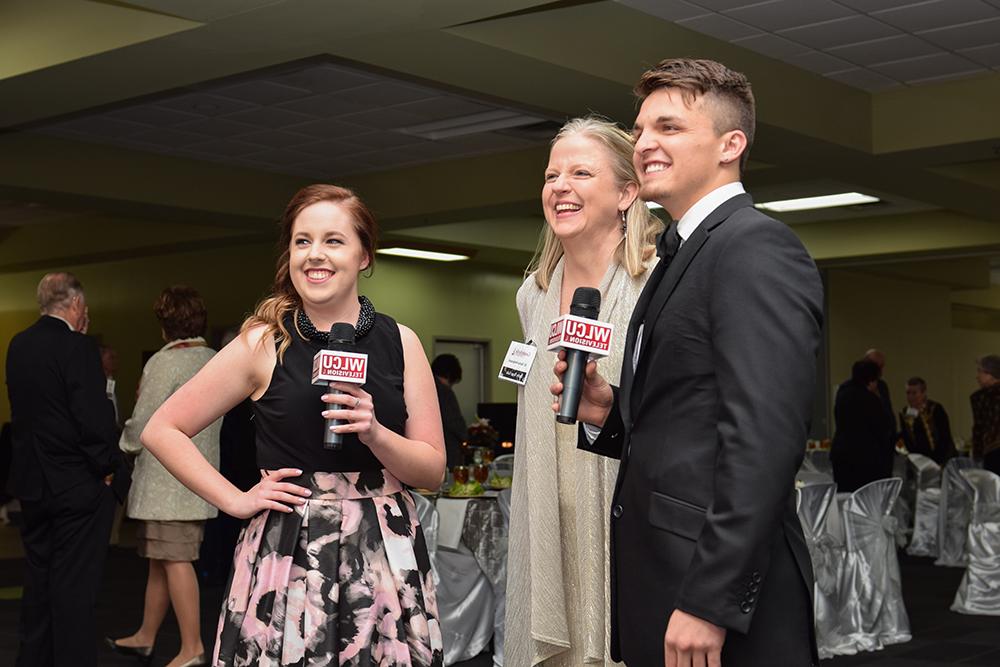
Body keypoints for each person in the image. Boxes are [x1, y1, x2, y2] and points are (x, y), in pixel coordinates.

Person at [553, 60, 823, 666]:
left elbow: (765, 442)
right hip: (669, 573)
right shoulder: (681, 253)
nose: (644, 143)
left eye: (669, 128)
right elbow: (688, 425)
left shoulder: (754, 248)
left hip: (715, 592)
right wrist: (611, 411)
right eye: (641, 129)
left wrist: (711, 602)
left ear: (731, 145)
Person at [140, 184, 445, 666]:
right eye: (302, 241)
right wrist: (236, 501)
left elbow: (432, 470)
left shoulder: (400, 341)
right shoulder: (264, 342)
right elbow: (161, 429)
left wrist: (376, 432)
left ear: (364, 255)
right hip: (290, 549)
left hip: (383, 550)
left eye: (333, 241)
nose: (315, 255)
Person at [506, 115, 661, 666]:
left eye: (580, 173)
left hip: (628, 515)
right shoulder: (534, 293)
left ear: (627, 192)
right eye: (552, 175)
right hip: (550, 514)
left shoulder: (656, 285)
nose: (560, 187)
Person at [6, 272, 130, 667]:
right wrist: (110, 468)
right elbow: (91, 420)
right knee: (75, 587)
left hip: (32, 483)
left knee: (39, 579)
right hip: (75, 485)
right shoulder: (78, 347)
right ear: (76, 305)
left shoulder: (18, 345)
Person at [107, 286, 222, 667]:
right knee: (162, 559)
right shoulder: (214, 359)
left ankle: (192, 648)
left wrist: (121, 447)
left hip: (166, 482)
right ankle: (146, 635)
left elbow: (141, 424)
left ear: (164, 325)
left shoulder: (164, 362)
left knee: (174, 561)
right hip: (196, 478)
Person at [831, 360, 893, 492]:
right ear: (871, 380)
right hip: (865, 459)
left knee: (845, 497)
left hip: (842, 454)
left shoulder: (843, 392)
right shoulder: (870, 399)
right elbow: (883, 428)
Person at [899, 376, 955, 466]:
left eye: (914, 393)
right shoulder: (904, 413)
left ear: (924, 393)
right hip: (917, 460)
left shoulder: (936, 409)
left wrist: (937, 460)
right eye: (908, 393)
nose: (910, 397)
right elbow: (906, 438)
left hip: (940, 457)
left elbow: (945, 436)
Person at [432, 353, 467, 469]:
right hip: (448, 448)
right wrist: (467, 436)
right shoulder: (444, 392)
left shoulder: (426, 386)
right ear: (449, 375)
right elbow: (454, 421)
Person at [971, 354, 1000, 474]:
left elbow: (979, 427)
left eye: (980, 371)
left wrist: (977, 453)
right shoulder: (981, 397)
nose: (977, 376)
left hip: (993, 453)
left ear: (991, 374)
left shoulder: (981, 398)